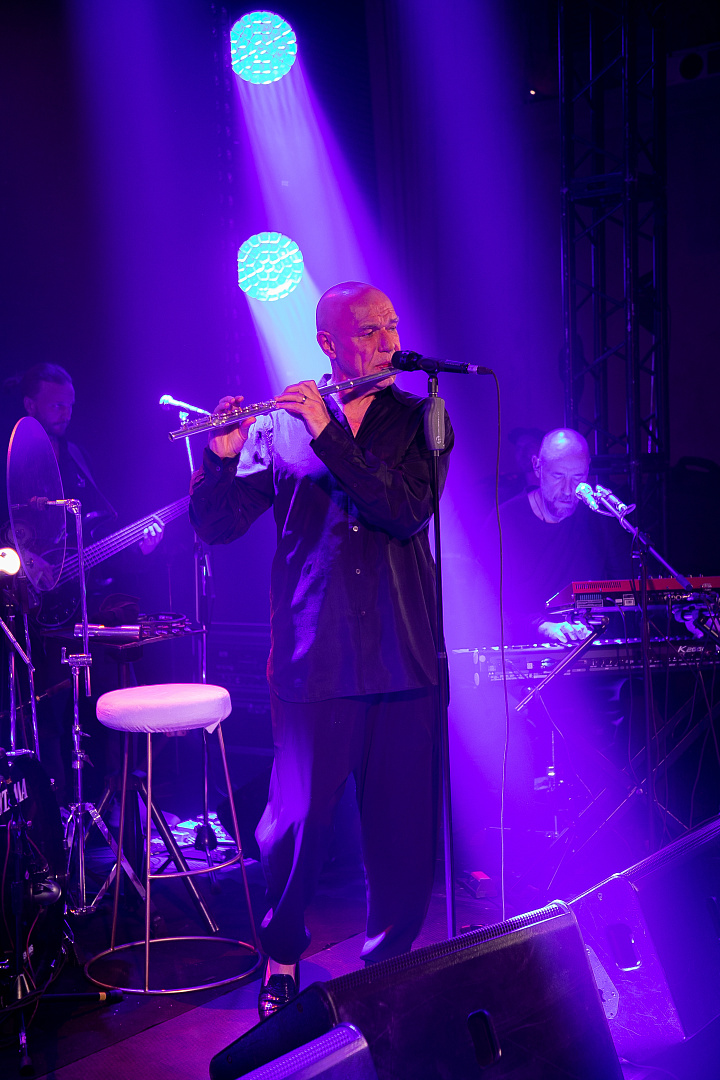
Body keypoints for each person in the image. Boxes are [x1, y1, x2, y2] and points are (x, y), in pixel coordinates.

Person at [190, 281, 453, 1018]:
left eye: (392, 325)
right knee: (296, 824)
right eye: (368, 331)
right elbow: (217, 526)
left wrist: (327, 434)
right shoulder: (280, 427)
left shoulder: (422, 417)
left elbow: (403, 510)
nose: (388, 342)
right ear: (328, 344)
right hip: (315, 656)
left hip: (404, 656)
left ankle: (388, 974)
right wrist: (221, 460)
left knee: (401, 830)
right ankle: (282, 955)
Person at [494, 428, 632, 644]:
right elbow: (489, 602)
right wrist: (541, 626)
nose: (568, 490)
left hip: (593, 647)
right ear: (537, 466)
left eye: (578, 477)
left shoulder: (601, 518)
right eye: (558, 476)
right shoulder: (505, 521)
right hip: (527, 651)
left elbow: (628, 592)